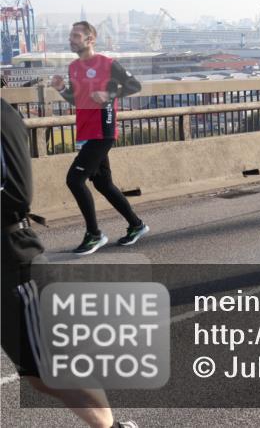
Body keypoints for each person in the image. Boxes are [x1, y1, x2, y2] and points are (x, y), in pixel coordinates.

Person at [2, 99, 139, 428]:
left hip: (10, 259)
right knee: (38, 376)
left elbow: (17, 194)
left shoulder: (2, 117)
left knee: (53, 372)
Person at [50, 22, 148, 255]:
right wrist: (62, 89)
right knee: (103, 183)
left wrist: (109, 93)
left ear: (90, 39)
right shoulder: (73, 67)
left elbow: (135, 85)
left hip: (102, 131)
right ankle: (137, 225)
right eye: (70, 35)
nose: (70, 39)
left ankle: (94, 234)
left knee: (75, 180)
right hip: (85, 131)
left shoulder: (107, 64)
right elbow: (77, 100)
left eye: (76, 35)